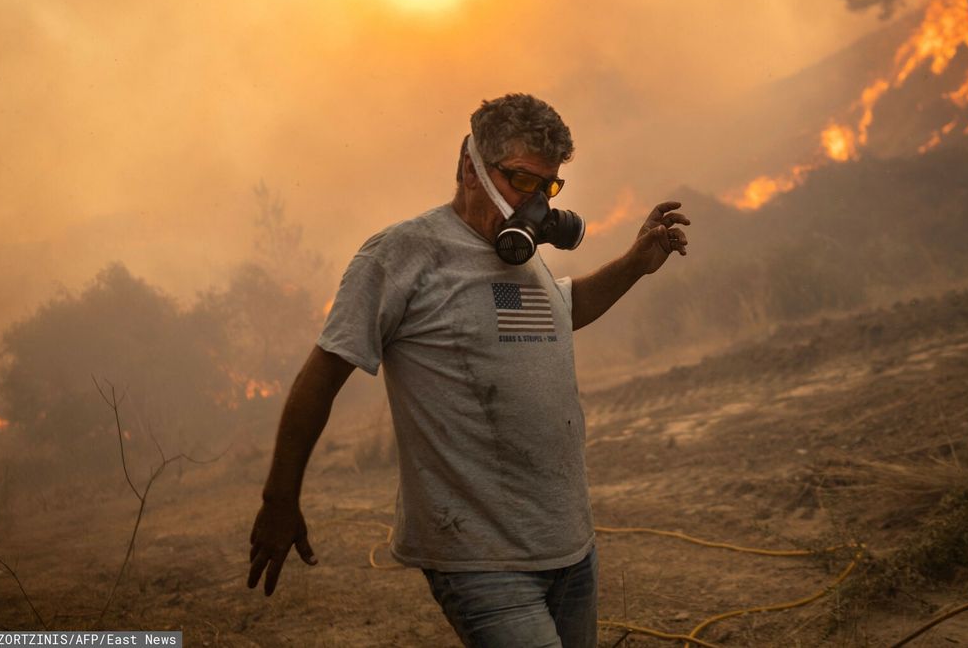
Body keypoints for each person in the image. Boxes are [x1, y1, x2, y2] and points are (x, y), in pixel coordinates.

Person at [248, 93, 690, 647]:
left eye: (547, 188)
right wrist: (279, 500)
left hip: (569, 546)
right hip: (479, 556)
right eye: (520, 181)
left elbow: (559, 313)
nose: (534, 204)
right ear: (469, 165)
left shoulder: (521, 253)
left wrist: (634, 266)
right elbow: (321, 377)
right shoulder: (401, 254)